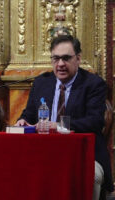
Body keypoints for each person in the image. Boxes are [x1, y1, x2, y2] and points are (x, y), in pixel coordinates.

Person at [15, 35, 114, 199]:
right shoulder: (41, 82)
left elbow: (95, 121)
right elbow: (29, 114)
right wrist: (22, 121)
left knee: (92, 176)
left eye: (66, 58)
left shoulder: (93, 84)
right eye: (56, 58)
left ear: (78, 59)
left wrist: (59, 126)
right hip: (44, 152)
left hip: (82, 154)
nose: (60, 64)